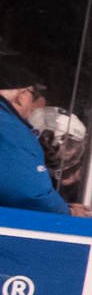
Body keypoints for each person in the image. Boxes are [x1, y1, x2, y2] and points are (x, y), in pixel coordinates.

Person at [1, 57, 71, 214]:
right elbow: (28, 192)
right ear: (20, 97)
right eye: (33, 93)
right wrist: (67, 213)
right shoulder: (9, 128)